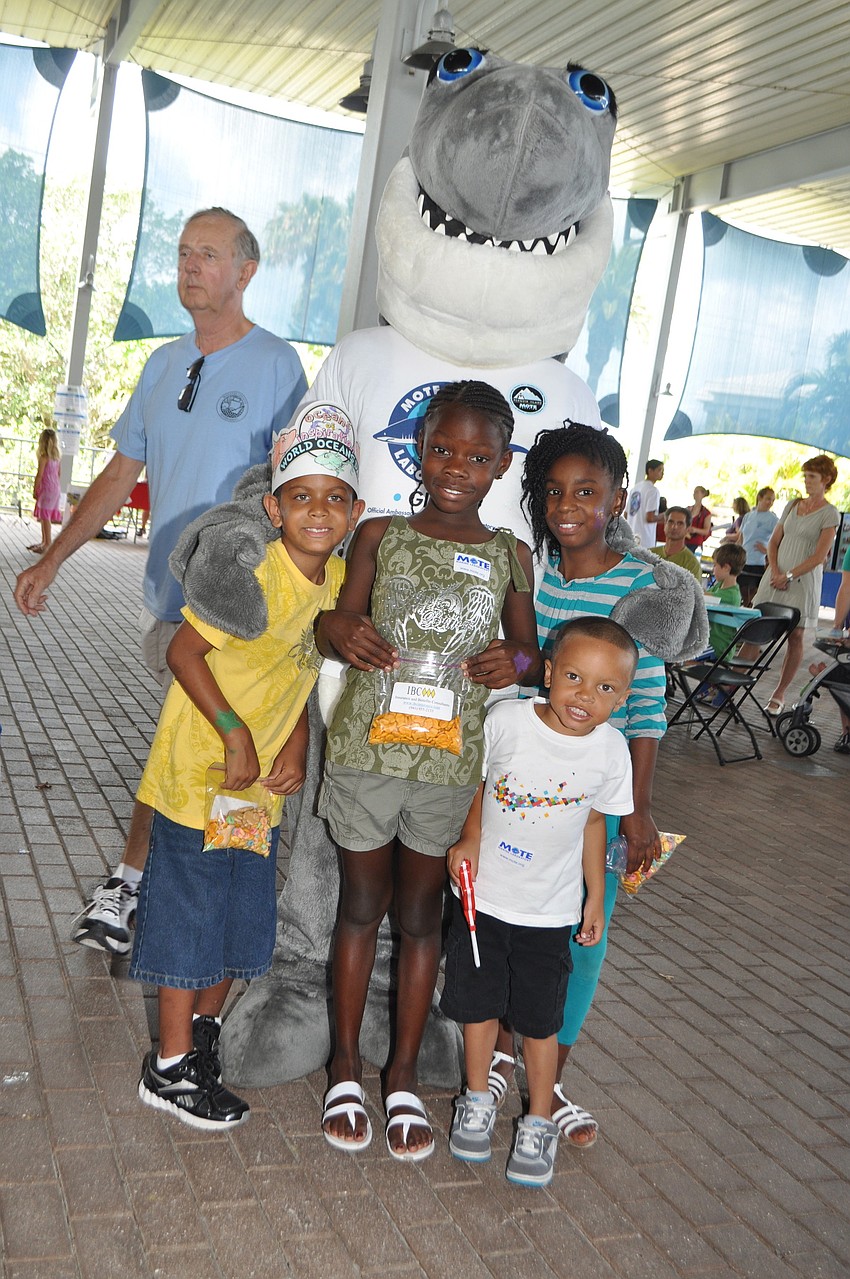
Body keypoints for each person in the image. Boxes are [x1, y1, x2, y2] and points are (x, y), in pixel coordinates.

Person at [13, 207, 307, 956]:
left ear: (245, 272)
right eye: (183, 253)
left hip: (238, 610)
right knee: (197, 749)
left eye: (207, 254)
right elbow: (120, 471)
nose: (189, 266)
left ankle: (133, 883)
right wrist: (53, 558)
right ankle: (204, 896)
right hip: (170, 603)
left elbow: (294, 487)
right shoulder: (161, 364)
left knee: (189, 742)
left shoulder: (277, 366)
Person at [315, 381, 541, 1160]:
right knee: (359, 907)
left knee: (420, 921)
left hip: (447, 766)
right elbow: (336, 619)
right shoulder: (378, 533)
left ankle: (402, 1074)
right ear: (418, 446)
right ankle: (345, 1064)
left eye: (478, 456)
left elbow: (529, 651)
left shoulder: (511, 555)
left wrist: (507, 660)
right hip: (367, 754)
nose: (456, 467)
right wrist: (340, 629)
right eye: (442, 448)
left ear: (501, 464)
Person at [129, 418, 363, 1130]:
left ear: (355, 512)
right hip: (198, 776)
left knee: (239, 920)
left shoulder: (339, 578)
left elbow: (297, 671)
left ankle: (197, 1041)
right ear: (274, 507)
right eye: (301, 497)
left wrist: (293, 741)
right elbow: (183, 654)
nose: (317, 511)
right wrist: (233, 731)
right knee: (189, 919)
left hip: (256, 791)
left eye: (334, 498)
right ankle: (168, 1067)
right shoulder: (252, 572)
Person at [486, 422, 670, 1148]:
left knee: (580, 941)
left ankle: (548, 1081)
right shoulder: (532, 570)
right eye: (554, 490)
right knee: (510, 926)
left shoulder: (643, 582)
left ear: (617, 498)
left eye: (586, 492)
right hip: (520, 795)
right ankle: (500, 1058)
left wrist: (639, 813)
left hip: (592, 804)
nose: (568, 505)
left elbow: (648, 706)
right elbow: (528, 668)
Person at [442, 617, 636, 1188]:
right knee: (477, 1006)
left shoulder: (611, 752)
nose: (585, 697)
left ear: (623, 698)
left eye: (606, 689)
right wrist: (470, 839)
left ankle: (539, 1119)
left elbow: (597, 822)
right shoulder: (505, 722)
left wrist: (595, 898)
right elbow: (478, 785)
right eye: (574, 677)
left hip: (550, 913)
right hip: (486, 899)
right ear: (548, 671)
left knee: (539, 1020)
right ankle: (476, 1099)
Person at [742, 456, 840, 716]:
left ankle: (779, 693)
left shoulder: (830, 513)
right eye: (805, 476)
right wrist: (775, 570)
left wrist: (789, 575)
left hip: (802, 582)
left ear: (826, 480)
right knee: (755, 626)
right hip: (774, 576)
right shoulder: (792, 505)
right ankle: (728, 686)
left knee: (795, 636)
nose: (807, 481)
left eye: (812, 477)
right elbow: (774, 541)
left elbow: (820, 556)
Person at [736, 487, 778, 605]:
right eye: (768, 499)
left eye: (773, 500)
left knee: (753, 595)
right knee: (742, 592)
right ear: (760, 498)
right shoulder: (748, 516)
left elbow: (779, 541)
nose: (770, 503)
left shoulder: (773, 519)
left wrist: (766, 550)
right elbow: (741, 538)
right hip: (744, 560)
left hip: (758, 563)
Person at [704, 543, 747, 658]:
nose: (713, 569)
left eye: (715, 565)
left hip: (718, 647)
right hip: (710, 642)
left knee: (677, 655)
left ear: (726, 567)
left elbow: (703, 596)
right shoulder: (720, 586)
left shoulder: (731, 595)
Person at [28, 427, 62, 554]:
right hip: (55, 489)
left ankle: (47, 543)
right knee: (45, 516)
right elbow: (59, 474)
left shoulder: (43, 457)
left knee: (45, 517)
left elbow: (40, 475)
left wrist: (35, 488)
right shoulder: (57, 458)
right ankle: (44, 541)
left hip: (46, 489)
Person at [654, 507, 702, 580]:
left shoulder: (692, 564)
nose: (674, 527)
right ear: (665, 525)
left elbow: (695, 591)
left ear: (687, 529)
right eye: (671, 522)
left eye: (680, 523)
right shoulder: (650, 554)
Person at [625, 458, 664, 548]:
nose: (662, 473)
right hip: (645, 539)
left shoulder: (635, 488)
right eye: (659, 470)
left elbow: (627, 514)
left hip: (630, 536)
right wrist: (663, 516)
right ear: (650, 471)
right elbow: (649, 518)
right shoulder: (653, 491)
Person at [685, 485, 712, 556]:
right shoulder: (688, 509)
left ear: (702, 494)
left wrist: (695, 530)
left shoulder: (706, 513)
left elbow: (706, 531)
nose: (694, 494)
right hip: (684, 541)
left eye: (697, 492)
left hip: (695, 544)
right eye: (694, 492)